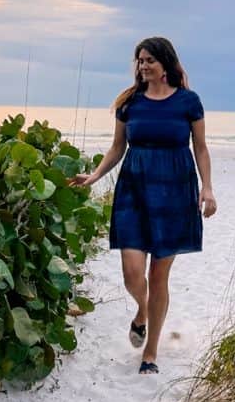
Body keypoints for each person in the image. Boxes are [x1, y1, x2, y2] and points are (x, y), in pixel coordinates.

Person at [70, 37, 217, 375]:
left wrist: (207, 188)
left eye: (149, 60)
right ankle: (143, 311)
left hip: (175, 192)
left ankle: (150, 352)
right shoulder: (130, 103)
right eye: (139, 60)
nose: (143, 66)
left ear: (165, 63)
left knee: (158, 275)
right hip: (134, 191)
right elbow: (117, 148)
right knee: (132, 274)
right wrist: (94, 176)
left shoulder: (188, 102)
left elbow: (202, 148)